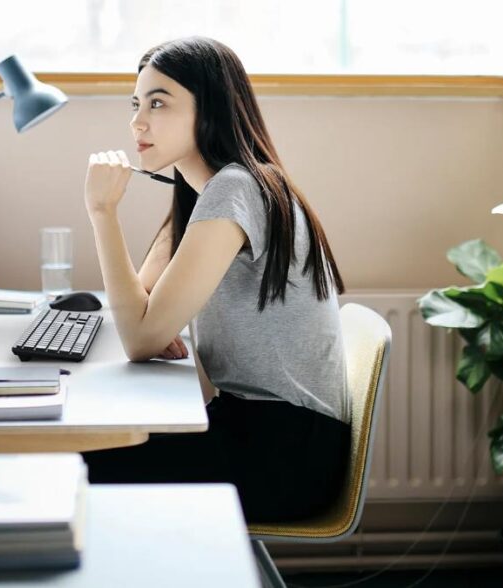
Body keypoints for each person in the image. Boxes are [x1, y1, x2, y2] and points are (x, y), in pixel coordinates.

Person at [81, 36, 351, 523]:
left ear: (210, 110)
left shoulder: (236, 187)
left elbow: (139, 336)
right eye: (136, 104)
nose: (138, 121)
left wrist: (102, 212)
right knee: (89, 449)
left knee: (75, 465)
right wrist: (149, 325)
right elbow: (140, 313)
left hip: (284, 452)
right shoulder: (201, 192)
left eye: (159, 103)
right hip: (259, 429)